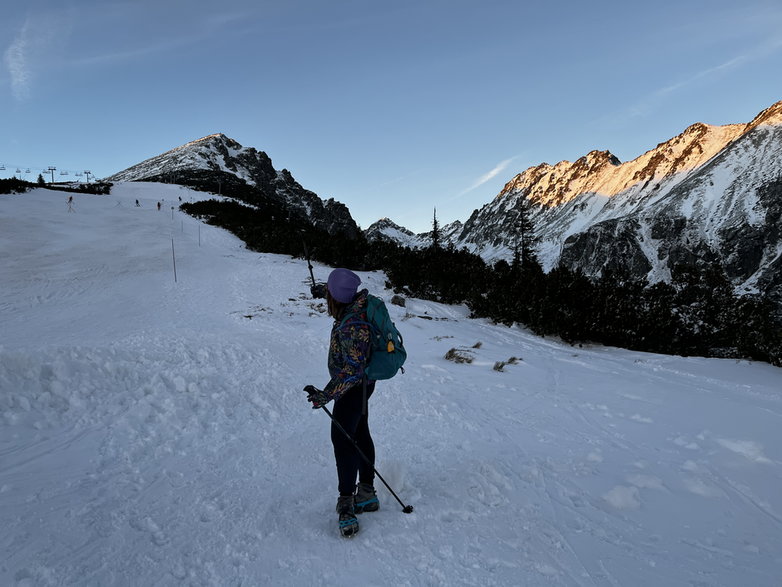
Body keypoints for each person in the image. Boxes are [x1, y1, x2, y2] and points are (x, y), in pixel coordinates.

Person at [304, 268, 379, 537]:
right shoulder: (353, 306)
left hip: (354, 388)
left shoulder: (354, 326)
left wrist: (327, 394)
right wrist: (322, 288)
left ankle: (347, 503)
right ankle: (367, 493)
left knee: (343, 438)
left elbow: (353, 369)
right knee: (359, 432)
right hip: (361, 387)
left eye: (329, 293)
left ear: (337, 297)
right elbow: (335, 288)